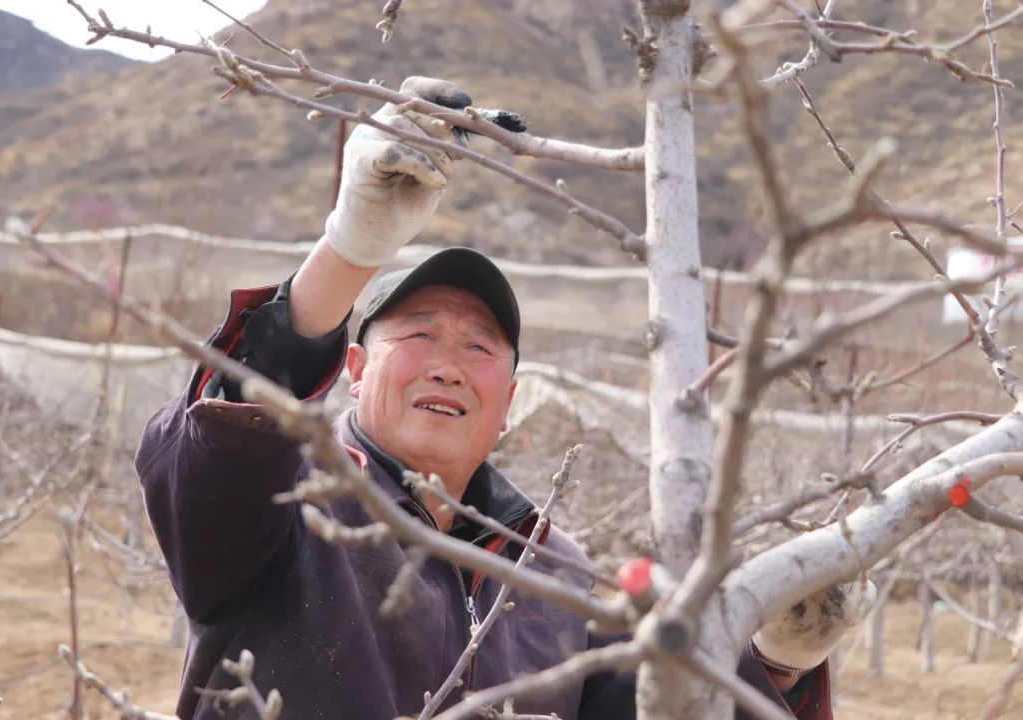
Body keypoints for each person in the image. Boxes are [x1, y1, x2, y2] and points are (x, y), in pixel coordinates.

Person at [137, 77, 872, 720]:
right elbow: (215, 443)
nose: (448, 367)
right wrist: (350, 247)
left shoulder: (552, 576)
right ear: (355, 366)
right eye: (419, 336)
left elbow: (668, 703)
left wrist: (778, 652)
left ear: (510, 397)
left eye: (479, 347)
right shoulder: (292, 508)